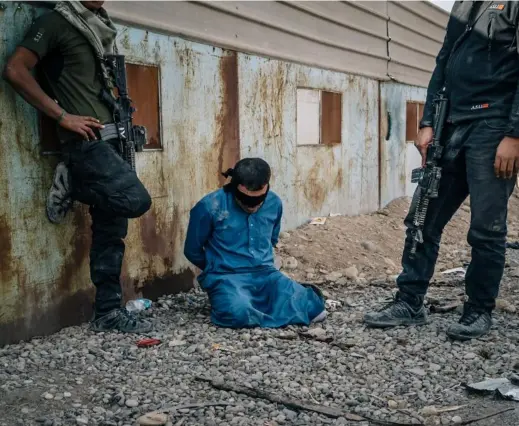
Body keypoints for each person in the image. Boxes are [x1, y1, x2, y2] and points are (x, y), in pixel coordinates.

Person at [364, 1, 519, 340]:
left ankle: (478, 310)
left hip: (494, 127)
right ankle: (409, 302)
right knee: (422, 218)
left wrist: (515, 133)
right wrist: (427, 122)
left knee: (486, 228)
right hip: (449, 124)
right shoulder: (466, 3)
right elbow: (444, 60)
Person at [2, 1, 153, 333]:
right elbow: (14, 69)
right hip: (86, 144)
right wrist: (61, 116)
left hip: (114, 139)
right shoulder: (57, 23)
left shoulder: (100, 27)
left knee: (112, 232)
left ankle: (108, 312)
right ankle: (72, 179)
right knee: (137, 200)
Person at [184, 158, 327, 328]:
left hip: (266, 273)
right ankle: (262, 308)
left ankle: (268, 307)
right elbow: (192, 250)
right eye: (247, 199)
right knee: (238, 313)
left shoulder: (274, 203)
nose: (253, 205)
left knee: (315, 308)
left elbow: (271, 239)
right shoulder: (210, 206)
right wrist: (216, 267)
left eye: (259, 199)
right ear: (234, 186)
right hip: (227, 276)